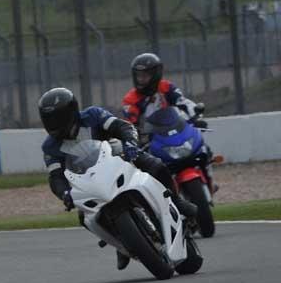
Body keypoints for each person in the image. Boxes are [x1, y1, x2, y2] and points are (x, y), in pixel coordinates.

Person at [38, 87, 197, 271]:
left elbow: (121, 126)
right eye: (48, 119)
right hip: (89, 182)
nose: (53, 124)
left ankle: (176, 201)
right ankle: (121, 245)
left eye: (56, 118)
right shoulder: (49, 147)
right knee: (84, 218)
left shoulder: (93, 116)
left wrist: (129, 142)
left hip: (118, 156)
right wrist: (64, 193)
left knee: (156, 165)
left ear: (71, 111)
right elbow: (55, 176)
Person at [122, 53, 204, 137]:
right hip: (150, 141)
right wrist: (136, 136)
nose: (141, 79)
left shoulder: (166, 87)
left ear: (156, 75)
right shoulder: (130, 99)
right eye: (138, 76)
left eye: (145, 75)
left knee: (201, 147)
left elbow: (183, 102)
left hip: (174, 133)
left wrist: (196, 118)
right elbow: (129, 124)